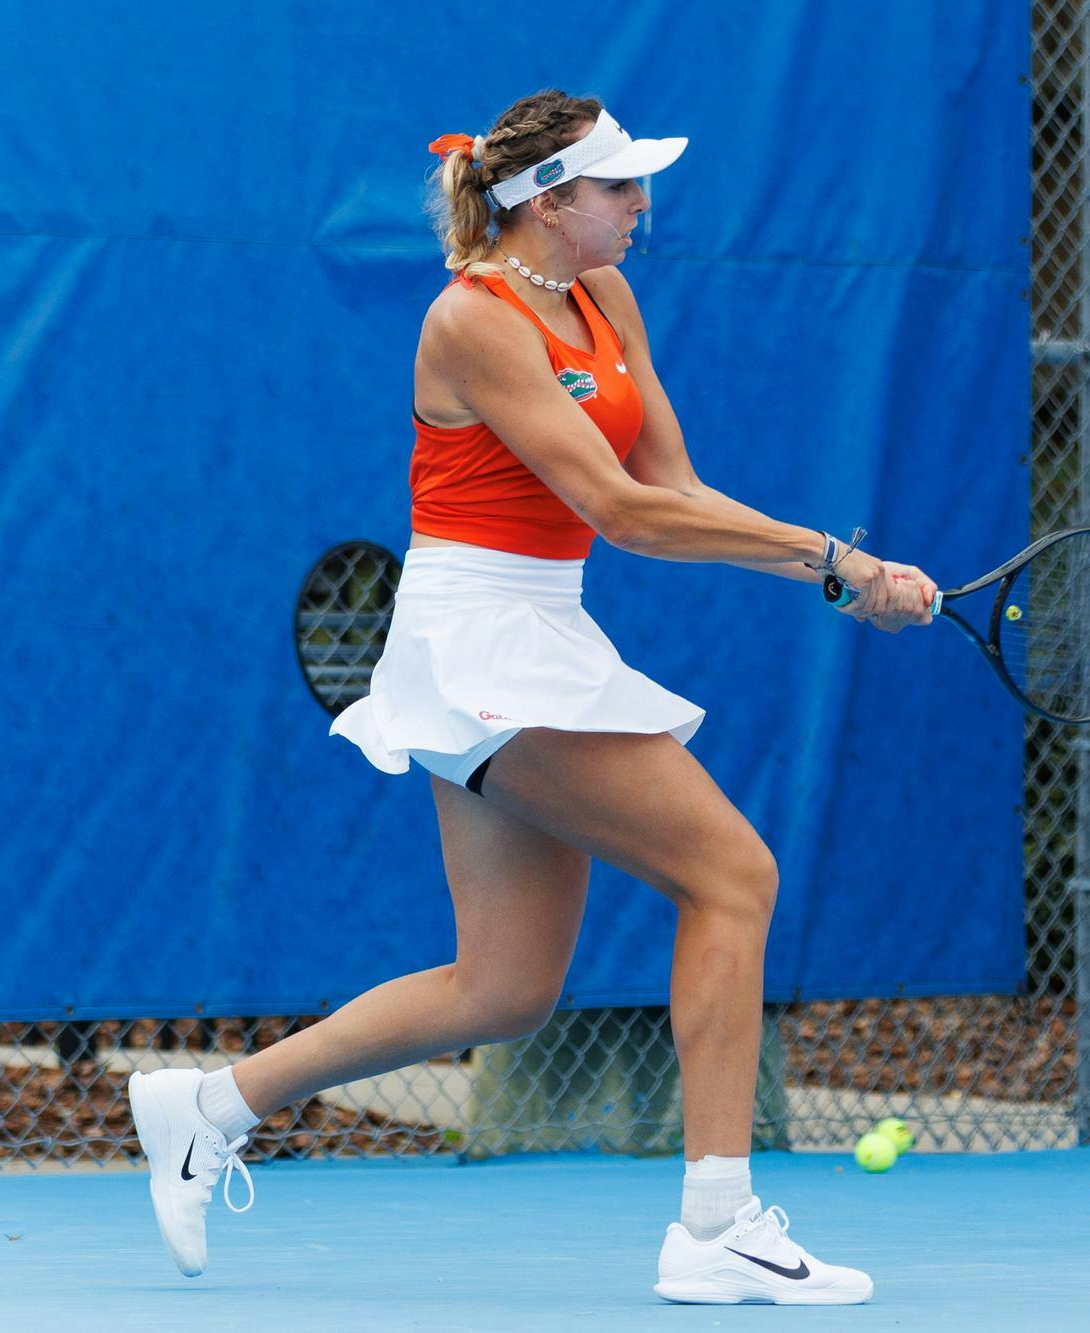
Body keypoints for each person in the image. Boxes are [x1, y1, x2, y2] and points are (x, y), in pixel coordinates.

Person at [128, 88, 933, 1307]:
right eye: (618, 186)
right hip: (477, 639)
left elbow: (672, 488)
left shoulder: (603, 296)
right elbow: (617, 509)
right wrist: (835, 560)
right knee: (732, 876)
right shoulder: (471, 320)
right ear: (548, 201)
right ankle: (716, 1224)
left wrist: (836, 575)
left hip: (540, 629)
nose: (641, 204)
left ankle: (208, 1106)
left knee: (502, 988)